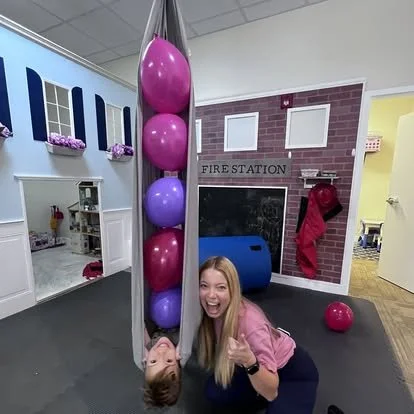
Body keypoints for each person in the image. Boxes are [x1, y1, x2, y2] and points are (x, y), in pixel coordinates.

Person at [197, 256, 319, 414]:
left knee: (270, 394)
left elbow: (271, 391)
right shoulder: (206, 311)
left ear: (233, 290)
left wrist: (249, 361)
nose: (211, 295)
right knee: (215, 392)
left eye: (221, 287)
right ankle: (259, 393)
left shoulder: (251, 324)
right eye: (204, 286)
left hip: (292, 374)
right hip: (255, 367)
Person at [142, 319, 182, 407]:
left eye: (153, 361)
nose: (161, 352)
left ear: (147, 359)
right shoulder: (180, 343)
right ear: (178, 361)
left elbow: (140, 325)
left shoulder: (149, 347)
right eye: (169, 360)